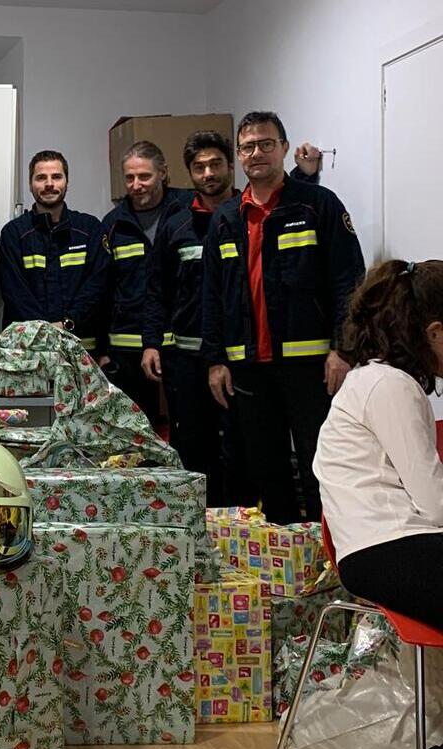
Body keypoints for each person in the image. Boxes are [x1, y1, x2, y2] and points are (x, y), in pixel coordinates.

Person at [141, 130, 322, 505]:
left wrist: (305, 176)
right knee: (194, 450)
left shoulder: (241, 218)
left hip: (242, 359)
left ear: (231, 164)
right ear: (188, 173)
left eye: (215, 164)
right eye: (199, 167)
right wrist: (152, 342)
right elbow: (157, 290)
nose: (208, 173)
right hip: (189, 364)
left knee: (247, 451)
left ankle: (244, 530)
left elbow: (282, 225)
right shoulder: (175, 225)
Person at [202, 110, 365, 524]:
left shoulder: (317, 205)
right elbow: (213, 297)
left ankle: (331, 554)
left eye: (266, 144)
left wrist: (343, 349)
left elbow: (349, 281)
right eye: (248, 146)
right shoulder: (225, 219)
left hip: (311, 366)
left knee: (320, 463)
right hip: (248, 368)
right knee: (268, 469)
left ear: (285, 148)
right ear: (239, 155)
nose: (257, 153)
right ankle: (285, 558)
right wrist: (216, 359)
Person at [314, 259, 443, 628]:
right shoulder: (389, 386)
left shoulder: (377, 379)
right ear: (434, 332)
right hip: (388, 549)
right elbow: (435, 504)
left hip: (384, 547)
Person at [101, 141, 190, 426]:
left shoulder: (188, 212)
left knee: (188, 431)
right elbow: (104, 290)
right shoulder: (113, 224)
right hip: (128, 347)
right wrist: (104, 350)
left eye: (144, 176)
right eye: (130, 178)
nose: (137, 185)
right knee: (137, 434)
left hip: (182, 344)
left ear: (163, 172)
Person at [0, 149, 110, 353]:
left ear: (67, 182)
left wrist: (68, 323)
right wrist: (45, 331)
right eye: (41, 178)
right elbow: (15, 293)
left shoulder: (90, 229)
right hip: (29, 353)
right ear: (31, 185)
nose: (49, 184)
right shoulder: (14, 233)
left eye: (56, 177)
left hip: (83, 350)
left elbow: (97, 286)